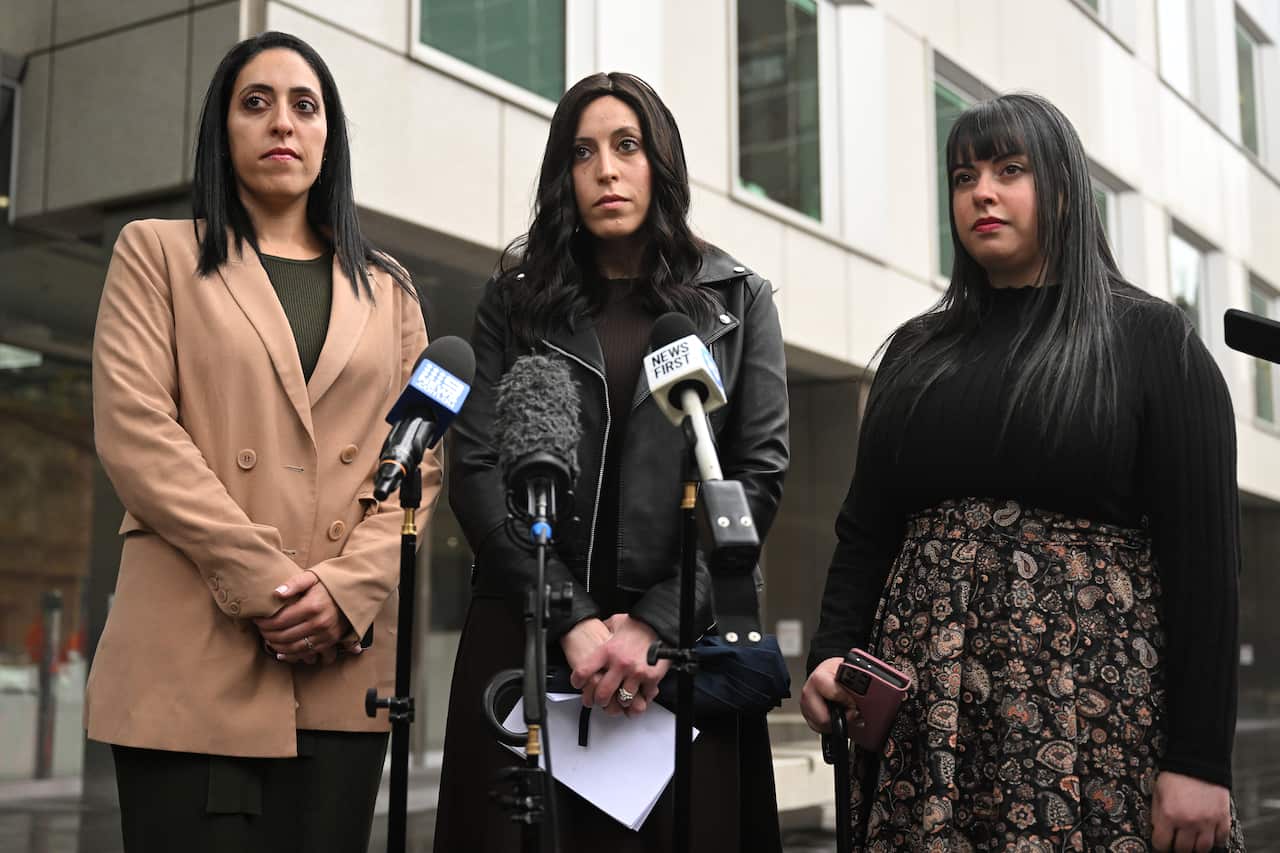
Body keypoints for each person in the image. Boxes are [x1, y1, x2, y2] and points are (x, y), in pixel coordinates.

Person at [802, 92, 1245, 851]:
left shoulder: (1151, 339)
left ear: (1064, 191)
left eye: (1011, 169)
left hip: (1096, 718)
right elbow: (866, 529)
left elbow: (1205, 565)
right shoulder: (915, 351)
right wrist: (831, 650)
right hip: (928, 720)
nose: (982, 191)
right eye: (964, 174)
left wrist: (1200, 759)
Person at [85, 31, 439, 853]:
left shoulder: (390, 291)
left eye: (304, 105)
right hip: (188, 654)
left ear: (328, 135)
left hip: (341, 669)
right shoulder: (156, 253)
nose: (282, 121)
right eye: (257, 102)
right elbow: (138, 434)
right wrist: (274, 586)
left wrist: (348, 591)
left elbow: (420, 459)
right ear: (224, 127)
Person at [433, 71, 790, 852]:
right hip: (528, 633)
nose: (606, 169)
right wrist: (572, 618)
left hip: (685, 650)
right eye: (583, 152)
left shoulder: (739, 299)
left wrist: (655, 625)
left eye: (626, 145)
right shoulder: (514, 304)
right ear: (563, 175)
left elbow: (756, 478)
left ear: (660, 162)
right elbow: (479, 472)